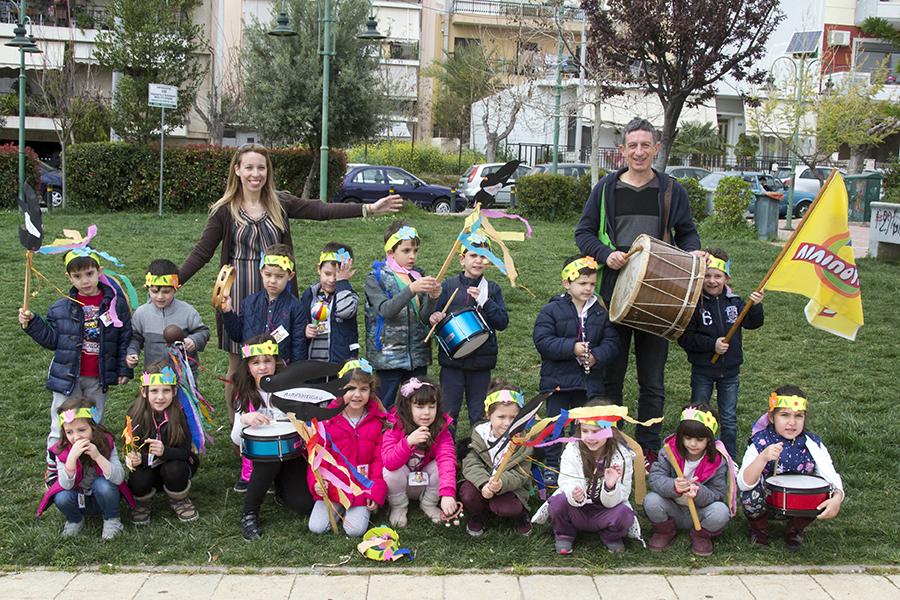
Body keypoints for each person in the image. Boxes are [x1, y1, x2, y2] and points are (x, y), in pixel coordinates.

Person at [178, 144, 402, 423]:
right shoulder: (225, 210)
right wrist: (174, 281)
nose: (255, 174)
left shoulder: (279, 201)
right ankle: (243, 426)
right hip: (240, 293)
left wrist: (367, 208)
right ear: (237, 170)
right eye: (248, 167)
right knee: (240, 365)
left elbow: (321, 210)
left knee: (283, 361)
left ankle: (285, 420)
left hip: (279, 290)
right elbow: (203, 251)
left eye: (261, 167)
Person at [575, 118, 701, 468]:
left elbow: (687, 233)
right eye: (632, 146)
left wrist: (692, 254)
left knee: (652, 380)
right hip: (614, 294)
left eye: (646, 145)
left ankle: (648, 448)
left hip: (658, 298)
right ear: (623, 151)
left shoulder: (672, 190)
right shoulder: (605, 189)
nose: (639, 152)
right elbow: (583, 233)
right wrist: (605, 254)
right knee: (611, 376)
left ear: (656, 148)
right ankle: (607, 441)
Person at [19, 249, 133, 488]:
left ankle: (90, 467)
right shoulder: (62, 307)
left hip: (97, 377)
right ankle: (54, 467)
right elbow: (52, 340)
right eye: (78, 276)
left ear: (99, 272)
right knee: (60, 424)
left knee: (93, 424)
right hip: (67, 377)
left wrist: (123, 368)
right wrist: (32, 324)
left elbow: (124, 337)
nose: (85, 281)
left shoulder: (115, 304)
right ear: (69, 277)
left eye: (90, 274)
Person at [533, 254, 619, 486]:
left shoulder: (601, 312)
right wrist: (571, 347)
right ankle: (552, 464)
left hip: (588, 382)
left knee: (583, 426)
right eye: (583, 283)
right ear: (567, 283)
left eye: (592, 284)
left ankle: (582, 464)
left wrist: (596, 356)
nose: (588, 288)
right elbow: (542, 341)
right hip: (558, 381)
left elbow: (612, 343)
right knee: (555, 424)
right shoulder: (551, 310)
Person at [677, 248, 764, 460]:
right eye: (707, 275)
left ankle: (728, 459)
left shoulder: (735, 303)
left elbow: (754, 323)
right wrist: (711, 345)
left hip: (730, 372)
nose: (712, 281)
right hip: (703, 370)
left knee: (728, 417)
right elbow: (685, 338)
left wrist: (755, 306)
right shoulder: (695, 304)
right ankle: (694, 454)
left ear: (727, 277)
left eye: (718, 276)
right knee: (697, 414)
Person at [738, 386, 844, 550]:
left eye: (798, 416)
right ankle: (759, 529)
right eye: (785, 415)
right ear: (772, 417)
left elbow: (831, 476)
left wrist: (837, 497)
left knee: (822, 492)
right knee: (749, 495)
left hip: (798, 503)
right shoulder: (760, 442)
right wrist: (762, 458)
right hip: (768, 502)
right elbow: (744, 484)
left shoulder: (813, 444)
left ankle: (795, 528)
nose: (792, 422)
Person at [230, 335, 313, 541]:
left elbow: (310, 424)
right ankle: (249, 513)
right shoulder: (245, 393)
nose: (262, 367)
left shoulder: (291, 388)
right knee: (268, 461)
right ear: (248, 366)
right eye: (256, 362)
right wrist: (244, 419)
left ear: (276, 362)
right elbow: (236, 440)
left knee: (304, 505)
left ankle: (281, 486)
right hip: (262, 460)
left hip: (293, 454)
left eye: (267, 361)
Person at [532, 399, 641, 554]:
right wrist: (573, 492)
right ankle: (565, 533)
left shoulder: (622, 456)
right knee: (557, 503)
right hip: (577, 510)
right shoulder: (572, 450)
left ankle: (611, 536)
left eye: (596, 432)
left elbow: (623, 494)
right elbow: (565, 481)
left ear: (610, 431)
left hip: (606, 511)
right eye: (585, 431)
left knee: (624, 514)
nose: (590, 437)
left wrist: (610, 488)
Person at [428, 237, 509, 436]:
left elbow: (502, 323)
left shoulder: (493, 289)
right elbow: (432, 317)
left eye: (484, 256)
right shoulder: (447, 286)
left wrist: (486, 301)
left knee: (479, 413)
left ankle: (478, 456)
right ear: (461, 259)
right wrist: (435, 316)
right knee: (449, 412)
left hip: (481, 363)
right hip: (452, 363)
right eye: (473, 255)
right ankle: (447, 458)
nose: (479, 261)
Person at [307, 359, 386, 537]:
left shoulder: (378, 422)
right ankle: (339, 507)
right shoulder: (326, 420)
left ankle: (353, 510)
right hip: (333, 487)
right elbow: (317, 455)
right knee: (317, 527)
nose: (357, 395)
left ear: (370, 391)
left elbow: (379, 461)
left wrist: (374, 492)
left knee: (354, 530)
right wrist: (317, 482)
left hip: (361, 487)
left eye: (363, 389)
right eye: (350, 388)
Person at [365, 222, 441, 408]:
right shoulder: (375, 278)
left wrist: (433, 298)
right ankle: (385, 438)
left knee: (416, 407)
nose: (412, 256)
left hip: (417, 357)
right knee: (385, 407)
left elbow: (423, 319)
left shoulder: (418, 276)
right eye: (406, 250)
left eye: (415, 250)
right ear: (391, 252)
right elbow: (386, 310)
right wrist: (410, 290)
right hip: (388, 358)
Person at [644, 403, 736, 556]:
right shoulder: (668, 451)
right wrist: (673, 485)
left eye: (700, 439)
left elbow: (718, 493)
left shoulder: (718, 461)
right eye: (687, 438)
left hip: (701, 512)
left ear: (709, 439)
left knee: (721, 512)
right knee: (651, 500)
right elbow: (655, 479)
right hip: (672, 509)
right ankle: (664, 532)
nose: (692, 444)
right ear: (680, 436)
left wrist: (699, 492)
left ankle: (701, 535)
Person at [37, 397, 133, 540]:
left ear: (93, 427)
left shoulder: (106, 443)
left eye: (82, 430)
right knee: (62, 497)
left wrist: (98, 456)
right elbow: (65, 485)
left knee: (103, 485)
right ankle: (75, 519)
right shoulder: (61, 450)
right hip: (78, 498)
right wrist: (70, 460)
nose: (76, 437)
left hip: (104, 496)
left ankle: (111, 519)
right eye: (69, 432)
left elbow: (119, 478)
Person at [125, 360, 200, 525]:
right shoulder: (134, 415)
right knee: (137, 476)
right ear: (143, 392)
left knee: (174, 469)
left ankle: (179, 499)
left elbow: (186, 451)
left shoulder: (181, 414)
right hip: (147, 467)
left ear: (174, 391)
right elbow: (131, 448)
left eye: (166, 390)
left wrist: (165, 451)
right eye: (154, 391)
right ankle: (142, 503)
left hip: (175, 466)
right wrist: (133, 458)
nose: (160, 397)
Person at [381, 377, 457, 527]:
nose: (426, 413)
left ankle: (428, 504)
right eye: (420, 407)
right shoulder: (394, 426)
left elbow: (447, 460)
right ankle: (399, 506)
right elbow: (388, 462)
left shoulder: (441, 429)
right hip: (401, 483)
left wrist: (448, 493)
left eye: (432, 406)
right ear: (407, 407)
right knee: (390, 471)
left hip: (425, 483)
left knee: (440, 465)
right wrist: (408, 442)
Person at [460, 381, 533, 537]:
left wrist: (501, 483)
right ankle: (479, 514)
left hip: (510, 488)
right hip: (482, 484)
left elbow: (521, 473)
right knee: (466, 493)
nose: (507, 423)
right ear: (488, 415)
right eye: (501, 416)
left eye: (513, 417)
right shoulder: (479, 434)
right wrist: (484, 483)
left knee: (506, 506)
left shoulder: (524, 440)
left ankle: (520, 515)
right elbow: (471, 463)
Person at [220, 243, 305, 364]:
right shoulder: (249, 302)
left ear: (290, 276)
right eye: (268, 275)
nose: (272, 281)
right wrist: (228, 312)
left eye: (279, 276)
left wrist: (293, 377)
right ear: (261, 271)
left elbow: (298, 348)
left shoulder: (296, 307)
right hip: (249, 371)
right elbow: (237, 336)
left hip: (279, 373)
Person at [126, 259, 210, 380]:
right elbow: (135, 337)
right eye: (154, 291)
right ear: (147, 288)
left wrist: (193, 340)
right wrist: (132, 352)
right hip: (154, 376)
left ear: (176, 289)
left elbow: (203, 331)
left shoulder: (187, 311)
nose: (160, 297)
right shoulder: (141, 314)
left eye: (166, 292)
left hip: (184, 376)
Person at [300, 243, 360, 366]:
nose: (332, 280)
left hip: (338, 361)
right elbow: (299, 322)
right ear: (319, 269)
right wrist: (304, 331)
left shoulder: (350, 296)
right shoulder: (309, 295)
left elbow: (344, 311)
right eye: (327, 274)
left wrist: (342, 283)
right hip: (312, 360)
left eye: (337, 276)